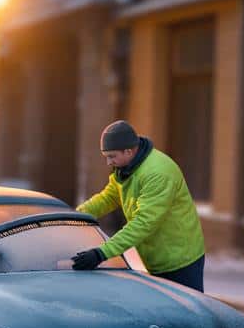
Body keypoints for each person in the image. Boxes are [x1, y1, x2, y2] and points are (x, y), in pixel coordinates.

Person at [71, 120, 207, 292]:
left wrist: (102, 253)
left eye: (112, 156)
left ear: (128, 151)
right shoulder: (126, 168)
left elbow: (144, 222)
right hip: (156, 256)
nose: (108, 162)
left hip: (180, 259)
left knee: (184, 308)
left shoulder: (158, 173)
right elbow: (108, 198)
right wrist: (74, 216)